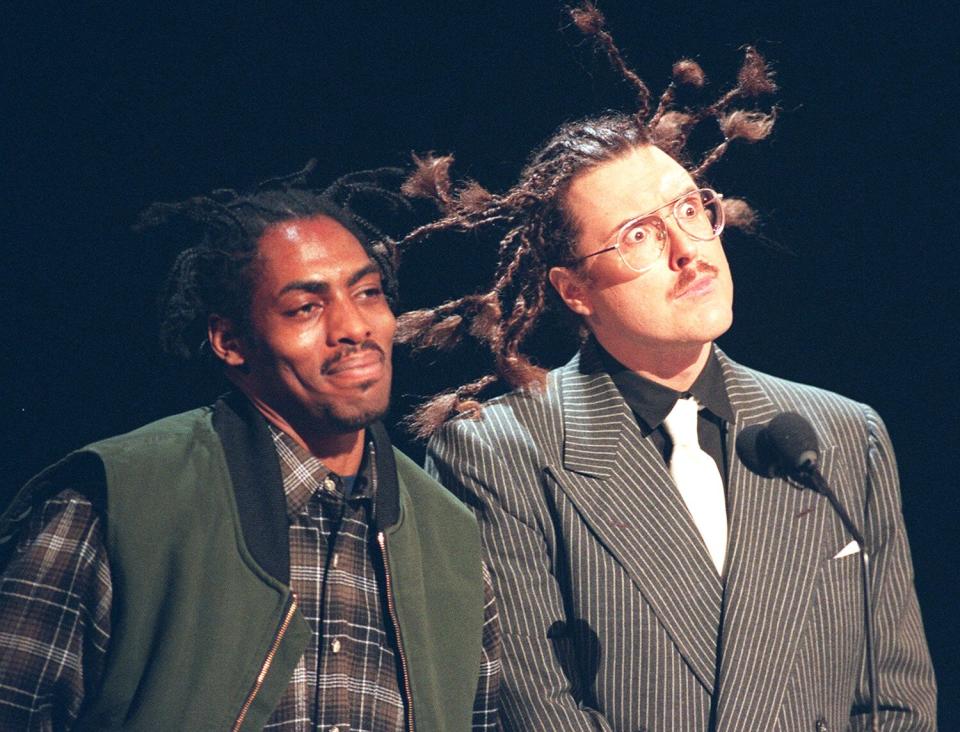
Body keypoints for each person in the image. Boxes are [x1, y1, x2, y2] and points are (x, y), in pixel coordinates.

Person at [394, 5, 936, 730]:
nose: (689, 251)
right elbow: (533, 709)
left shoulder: (842, 435)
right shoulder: (497, 452)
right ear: (572, 290)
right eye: (640, 235)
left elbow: (897, 699)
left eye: (689, 210)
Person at [0, 165, 500, 730]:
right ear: (231, 342)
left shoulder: (451, 541)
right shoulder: (114, 504)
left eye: (367, 292)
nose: (353, 326)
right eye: (306, 308)